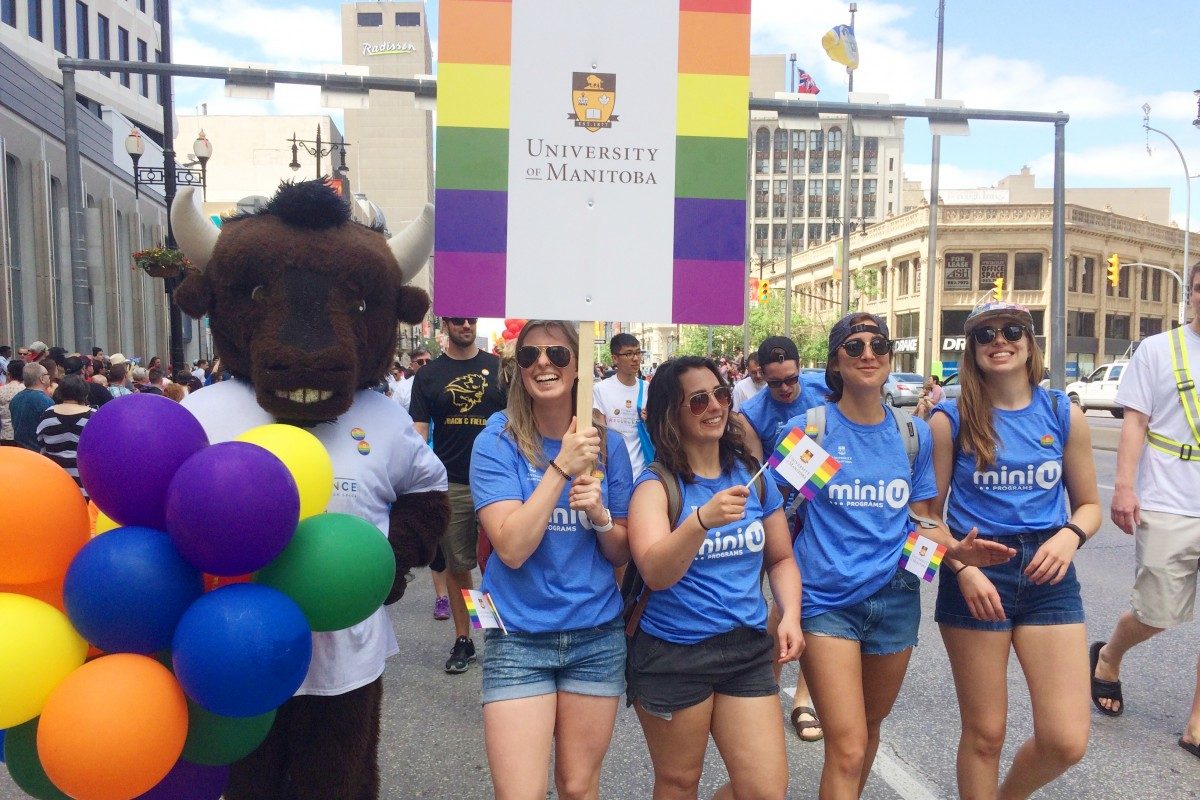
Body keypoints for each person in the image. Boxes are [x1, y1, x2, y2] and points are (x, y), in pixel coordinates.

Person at [779, 312, 1014, 799]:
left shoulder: (913, 435)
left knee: (868, 731)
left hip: (896, 600)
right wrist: (783, 605)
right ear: (836, 362)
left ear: (889, 358)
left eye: (879, 345)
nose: (868, 354)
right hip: (828, 604)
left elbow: (922, 519)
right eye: (854, 345)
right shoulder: (812, 431)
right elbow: (776, 516)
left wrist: (956, 558)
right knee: (846, 745)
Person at [929, 301, 1098, 798]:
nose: (999, 341)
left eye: (1011, 331)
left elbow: (1089, 505)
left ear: (1029, 343)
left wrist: (1070, 534)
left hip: (1050, 573)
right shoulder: (951, 418)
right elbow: (925, 516)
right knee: (985, 734)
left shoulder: (1064, 413)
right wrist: (961, 568)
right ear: (972, 349)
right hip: (977, 570)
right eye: (985, 335)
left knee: (1066, 739)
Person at [469, 320, 633, 800]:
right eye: (531, 356)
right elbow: (513, 548)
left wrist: (600, 514)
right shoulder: (495, 442)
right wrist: (562, 467)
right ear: (519, 370)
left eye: (558, 355)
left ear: (579, 366)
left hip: (595, 637)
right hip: (518, 638)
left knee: (578, 788)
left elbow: (620, 550)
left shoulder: (610, 446)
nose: (544, 363)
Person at [626, 355, 802, 799]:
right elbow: (655, 571)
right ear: (671, 413)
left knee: (764, 789)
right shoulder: (655, 486)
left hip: (744, 648)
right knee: (679, 781)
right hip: (673, 655)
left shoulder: (753, 479)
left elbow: (780, 559)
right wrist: (699, 521)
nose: (715, 407)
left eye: (721, 395)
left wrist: (790, 616)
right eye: (698, 400)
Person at [1093, 263, 1200, 762]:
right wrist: (1123, 488)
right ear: (1192, 294)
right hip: (1167, 500)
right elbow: (1135, 422)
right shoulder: (1161, 350)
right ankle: (1109, 656)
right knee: (1157, 612)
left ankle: (1196, 725)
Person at [735, 334, 829, 741]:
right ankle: (767, 682)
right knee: (779, 602)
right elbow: (760, 478)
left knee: (808, 600)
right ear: (761, 378)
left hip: (829, 512)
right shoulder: (752, 413)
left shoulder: (824, 389)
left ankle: (804, 697)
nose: (787, 389)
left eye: (791, 379)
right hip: (783, 511)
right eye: (776, 383)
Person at [410, 316, 507, 673]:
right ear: (445, 324)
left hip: (500, 482)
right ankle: (465, 638)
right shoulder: (428, 375)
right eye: (458, 319)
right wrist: (415, 484)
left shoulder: (499, 369)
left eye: (471, 319)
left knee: (505, 562)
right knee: (459, 566)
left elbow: (519, 421)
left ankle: (498, 637)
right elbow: (418, 433)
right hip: (453, 482)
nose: (466, 324)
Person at [592, 332, 652, 479]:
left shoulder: (648, 388)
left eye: (638, 353)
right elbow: (600, 433)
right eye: (629, 354)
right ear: (615, 358)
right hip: (614, 471)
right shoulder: (601, 389)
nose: (636, 358)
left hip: (643, 470)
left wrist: (651, 420)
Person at [36, 375, 94, 497]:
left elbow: (42, 446)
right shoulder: (94, 417)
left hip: (54, 481)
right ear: (84, 392)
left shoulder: (47, 414)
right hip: (86, 482)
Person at [10, 362, 54, 450]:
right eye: (47, 374)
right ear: (42, 379)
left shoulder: (16, 398)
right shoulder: (45, 401)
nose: (49, 377)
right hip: (38, 451)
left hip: (20, 448)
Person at [0, 359, 24, 445]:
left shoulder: (1, 390)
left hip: (4, 434)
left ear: (9, 374)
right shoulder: (25, 390)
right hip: (20, 434)